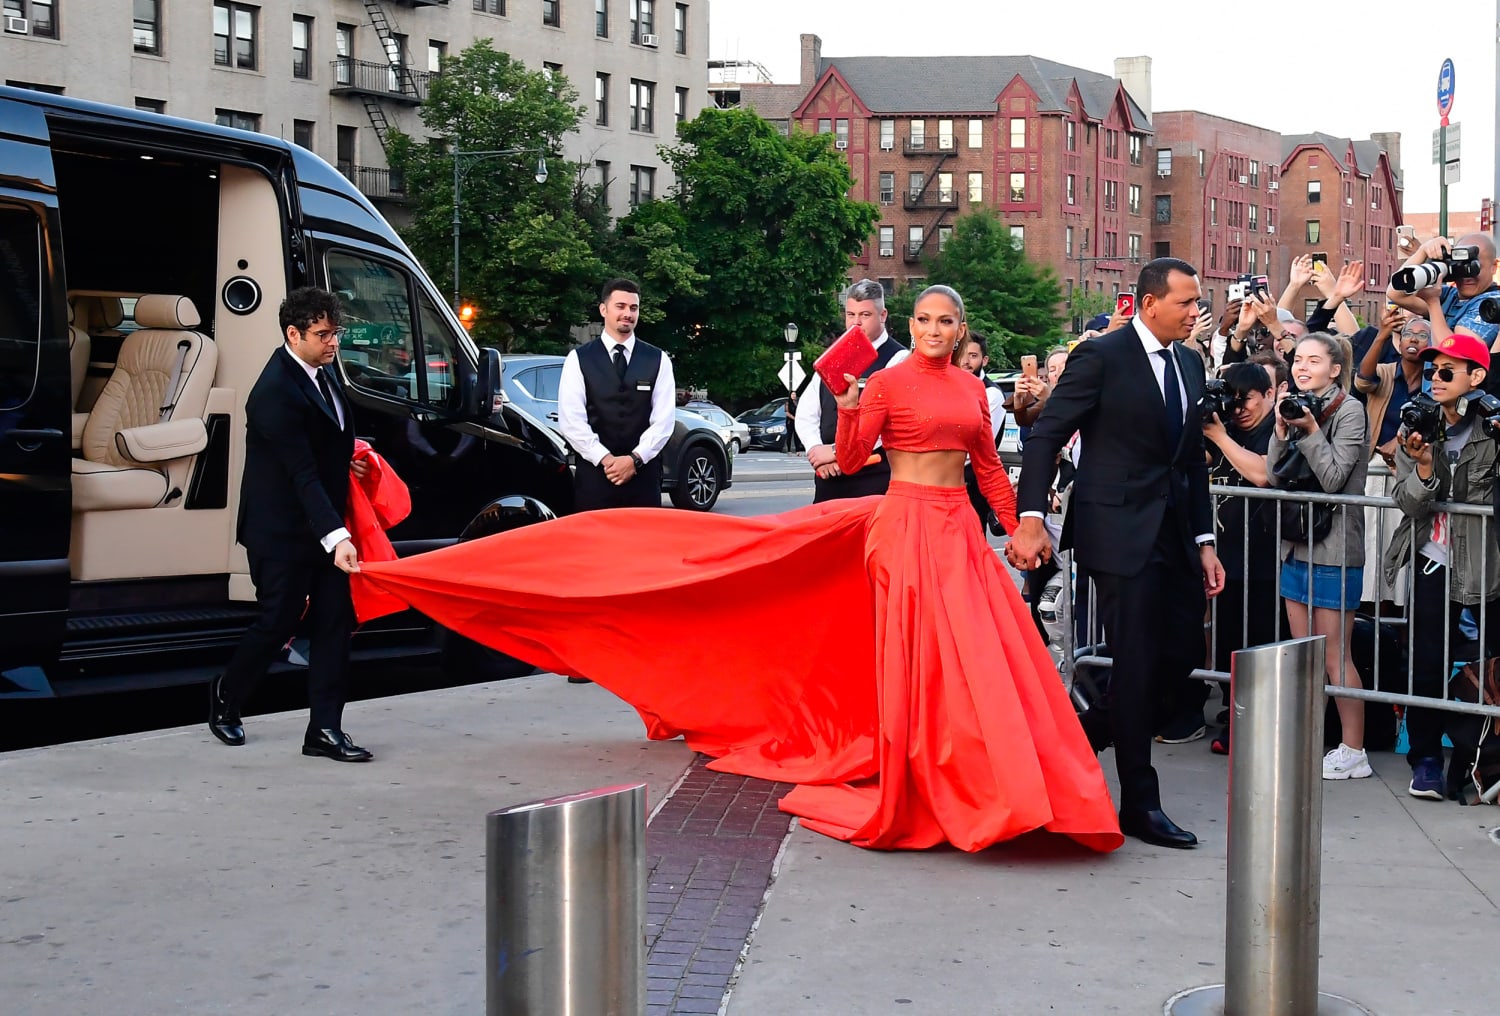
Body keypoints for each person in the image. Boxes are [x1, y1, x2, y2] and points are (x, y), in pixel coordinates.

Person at [356, 286, 1124, 855]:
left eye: (944, 320)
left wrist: (1024, 521)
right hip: (901, 530)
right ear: (912, 327)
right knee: (919, 662)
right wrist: (853, 406)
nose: (932, 330)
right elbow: (854, 461)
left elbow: (987, 467)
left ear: (961, 331)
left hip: (959, 534)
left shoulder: (967, 388)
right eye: (922, 319)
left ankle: (1000, 787)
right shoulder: (885, 384)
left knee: (985, 662)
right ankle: (931, 785)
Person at [1008, 257, 1226, 850]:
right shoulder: (1101, 355)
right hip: (1116, 531)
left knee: (1180, 655)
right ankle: (1139, 800)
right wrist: (1030, 518)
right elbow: (1047, 433)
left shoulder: (1188, 360)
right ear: (1150, 303)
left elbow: (1189, 462)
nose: (1194, 311)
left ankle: (1085, 732)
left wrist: (1204, 541)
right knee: (1133, 660)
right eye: (1185, 302)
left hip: (1175, 534)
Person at [209, 287, 371, 762]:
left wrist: (351, 462)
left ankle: (323, 730)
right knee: (277, 620)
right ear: (292, 333)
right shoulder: (273, 392)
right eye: (322, 335)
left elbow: (326, 440)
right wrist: (339, 535)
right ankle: (226, 696)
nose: (333, 343)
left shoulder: (322, 372)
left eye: (335, 332)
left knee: (334, 623)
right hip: (278, 529)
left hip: (320, 522)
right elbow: (299, 471)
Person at [1381, 333, 1500, 801]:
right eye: (1432, 371)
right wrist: (1427, 468)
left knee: (1491, 667)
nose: (1436, 379)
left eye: (1448, 372)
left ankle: (1485, 761)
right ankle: (1426, 760)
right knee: (1425, 665)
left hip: (1487, 564)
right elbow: (1408, 502)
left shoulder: (1491, 428)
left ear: (1476, 377)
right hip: (1432, 561)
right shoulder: (1419, 425)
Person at [1266, 333, 1371, 781]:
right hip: (1296, 544)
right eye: (1298, 360)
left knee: (1334, 654)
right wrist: (1279, 431)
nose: (1302, 367)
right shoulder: (1296, 406)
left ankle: (1353, 748)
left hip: (1334, 547)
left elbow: (1331, 478)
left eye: (1313, 360)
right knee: (1302, 652)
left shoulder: (1349, 410)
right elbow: (1274, 474)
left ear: (1335, 368)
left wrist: (1309, 431)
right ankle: (1308, 737)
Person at [1201, 363, 1285, 755]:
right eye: (1231, 401)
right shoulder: (1224, 427)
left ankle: (1255, 727)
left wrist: (1219, 435)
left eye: (1246, 399)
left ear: (1269, 394)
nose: (1238, 409)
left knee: (1261, 647)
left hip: (1267, 559)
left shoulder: (1279, 429)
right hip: (1226, 556)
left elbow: (1264, 474)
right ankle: (1236, 718)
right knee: (1229, 646)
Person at [557, 279, 675, 512]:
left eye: (633, 308)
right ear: (604, 309)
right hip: (594, 479)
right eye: (620, 306)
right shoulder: (578, 359)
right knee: (594, 546)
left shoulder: (658, 359)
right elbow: (571, 421)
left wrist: (634, 459)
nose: (627, 314)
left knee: (643, 546)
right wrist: (606, 459)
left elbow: (664, 422)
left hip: (643, 478)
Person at [795, 278, 908, 501]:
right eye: (850, 315)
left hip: (873, 479)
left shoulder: (899, 358)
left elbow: (888, 424)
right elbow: (806, 413)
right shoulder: (833, 356)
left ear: (882, 316)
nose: (856, 323)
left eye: (865, 315)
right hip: (829, 478)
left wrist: (837, 453)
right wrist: (818, 451)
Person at [1386, 234, 1500, 358]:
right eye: (1460, 266)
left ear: (1494, 267)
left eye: (1474, 267)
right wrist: (1423, 251)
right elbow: (1395, 293)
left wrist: (1433, 303)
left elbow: (1452, 353)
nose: (1467, 275)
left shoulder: (1492, 304)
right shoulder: (1448, 295)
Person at [957, 329, 1006, 533]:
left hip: (972, 484)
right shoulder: (952, 386)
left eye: (973, 356)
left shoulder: (991, 394)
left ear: (984, 360)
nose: (966, 362)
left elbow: (977, 448)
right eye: (962, 355)